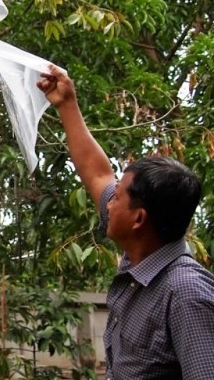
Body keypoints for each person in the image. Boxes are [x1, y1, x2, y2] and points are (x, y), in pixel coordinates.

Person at [37, 65, 214, 380]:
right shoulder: (142, 256)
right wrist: (66, 104)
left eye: (116, 196)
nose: (108, 201)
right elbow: (97, 173)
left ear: (139, 219)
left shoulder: (185, 293)